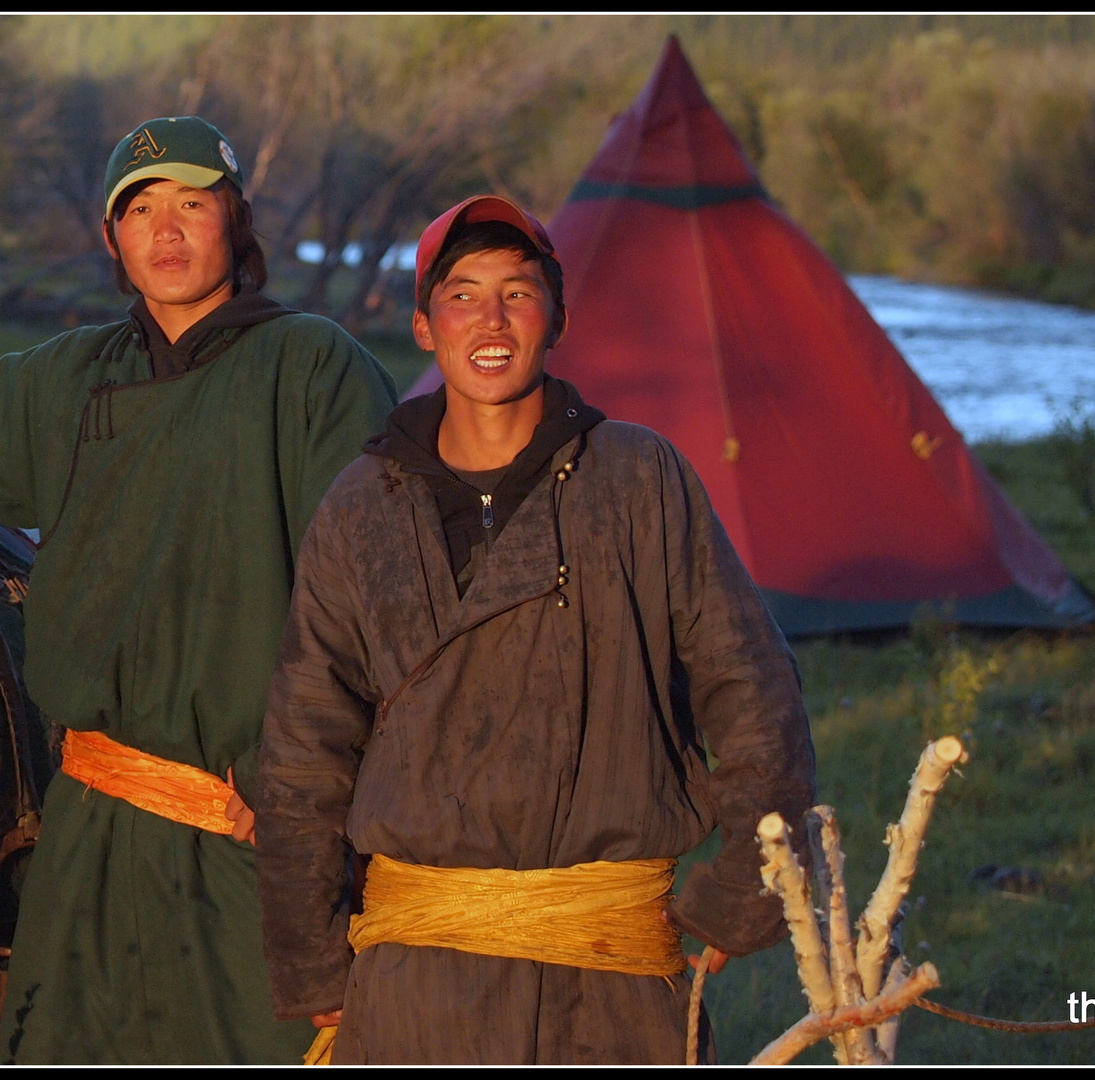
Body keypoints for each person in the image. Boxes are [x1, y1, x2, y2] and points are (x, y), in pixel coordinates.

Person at [252, 195, 818, 1064]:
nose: (491, 319)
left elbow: (750, 687)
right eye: (463, 294)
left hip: (612, 984)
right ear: (423, 325)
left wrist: (748, 888)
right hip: (416, 982)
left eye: (518, 293)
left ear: (557, 317)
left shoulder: (638, 479)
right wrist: (314, 960)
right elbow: (303, 751)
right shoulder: (361, 508)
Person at [0, 117, 397, 1062]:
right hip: (90, 824)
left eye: (192, 205)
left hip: (253, 829)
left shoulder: (312, 366)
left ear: (234, 223)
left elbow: (370, 597)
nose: (166, 231)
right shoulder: (73, 378)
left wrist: (300, 774)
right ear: (113, 238)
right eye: (140, 209)